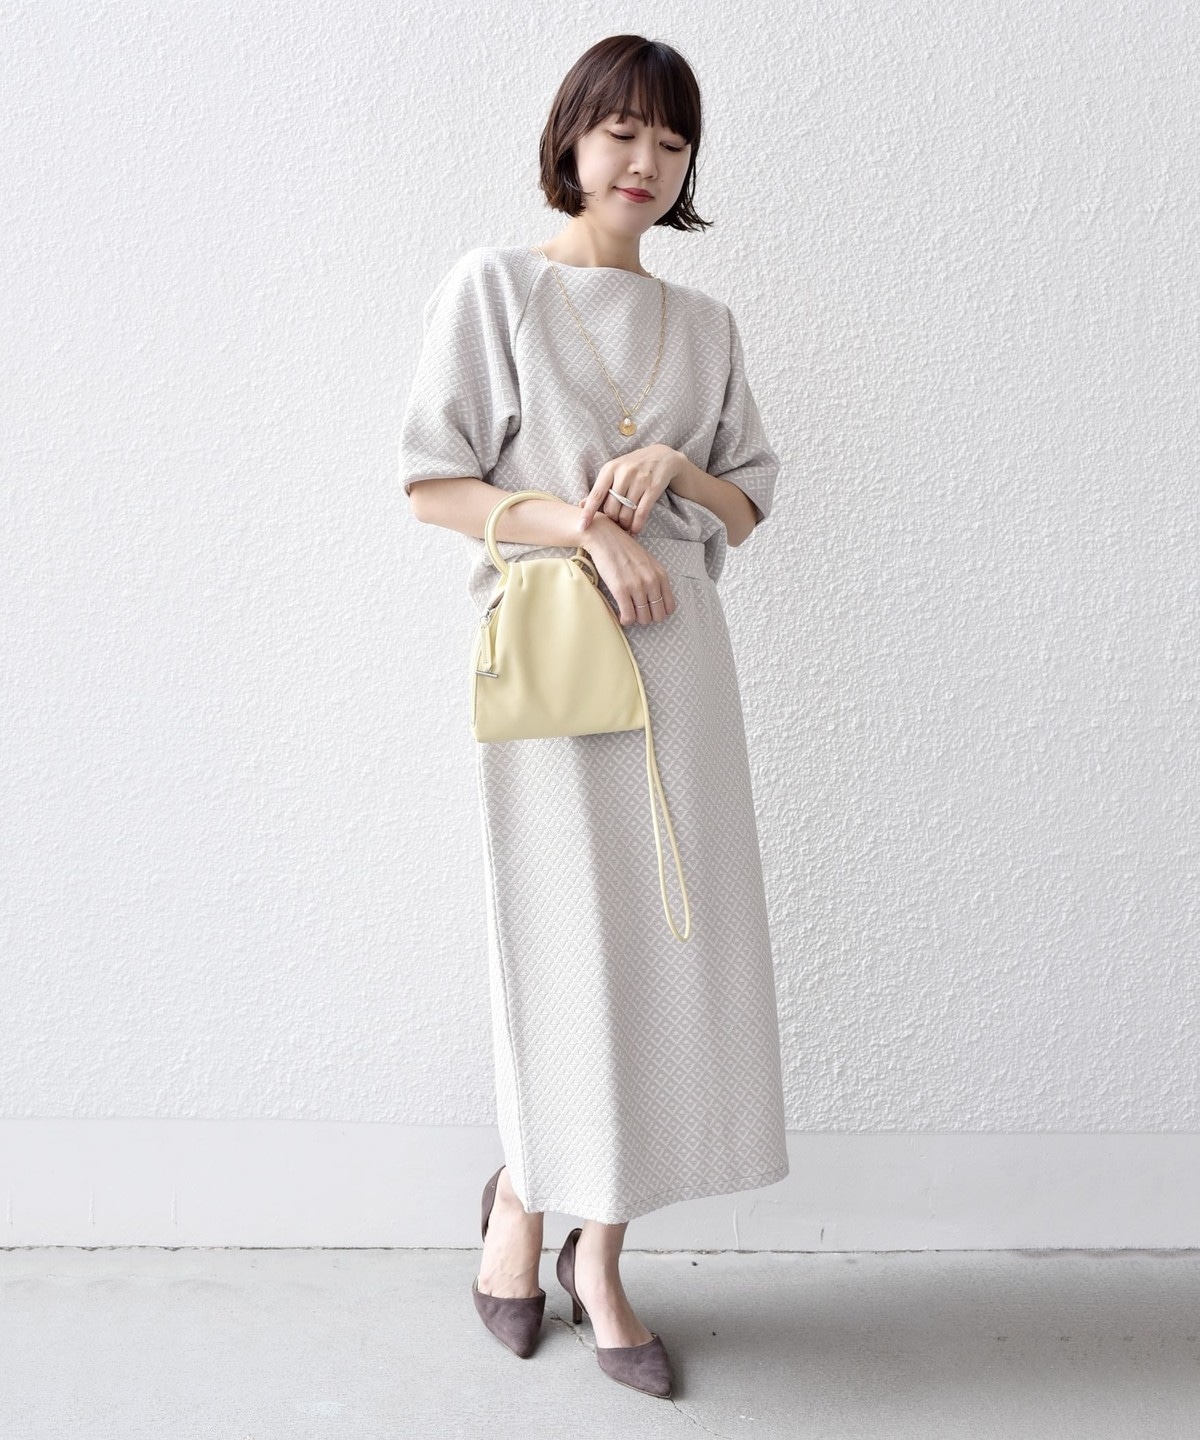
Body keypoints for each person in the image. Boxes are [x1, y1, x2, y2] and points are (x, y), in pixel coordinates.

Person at [398, 34, 789, 1400]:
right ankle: (524, 1199)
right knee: (567, 951)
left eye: (672, 143)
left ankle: (601, 1255)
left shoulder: (706, 327)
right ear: (571, 138)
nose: (645, 162)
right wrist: (581, 527)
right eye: (622, 131)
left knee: (672, 958)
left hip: (682, 668)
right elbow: (433, 483)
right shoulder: (495, 290)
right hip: (560, 667)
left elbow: (749, 503)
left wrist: (674, 466)